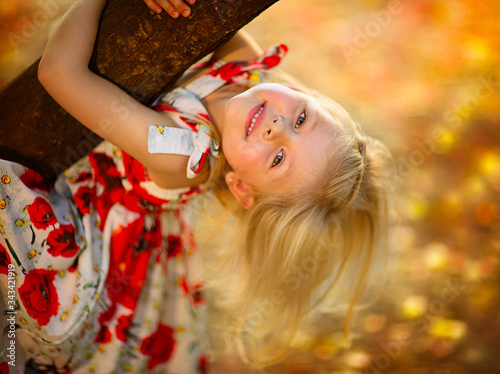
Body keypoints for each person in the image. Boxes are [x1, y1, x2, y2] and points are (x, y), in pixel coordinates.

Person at [0, 0, 393, 372]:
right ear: (308, 96)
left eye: (278, 159)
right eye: (303, 118)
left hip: (87, 247)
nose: (277, 128)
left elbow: (59, 72)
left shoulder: (181, 152)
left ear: (241, 189)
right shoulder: (246, 70)